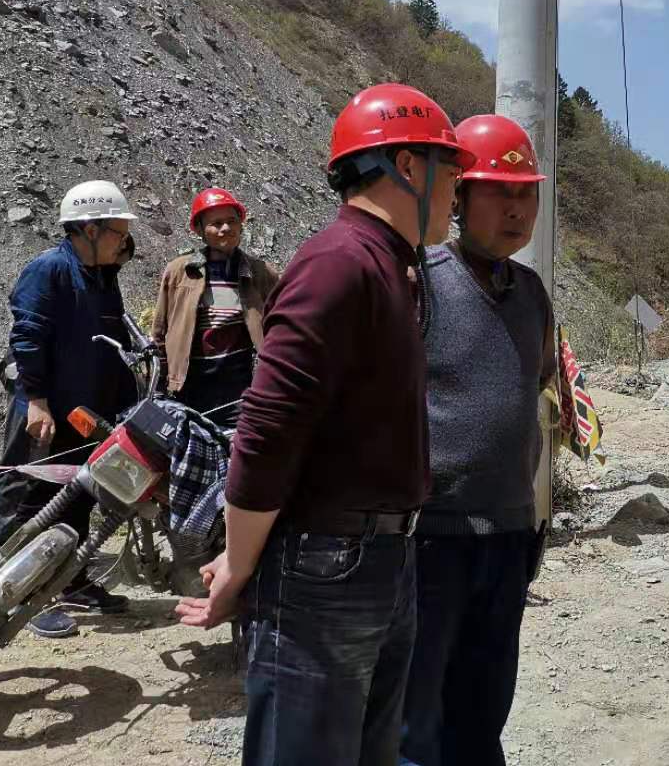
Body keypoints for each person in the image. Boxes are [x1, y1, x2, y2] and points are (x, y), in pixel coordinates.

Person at [175, 84, 474, 766]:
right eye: (450, 168)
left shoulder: (393, 265)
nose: (458, 188)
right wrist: (240, 562)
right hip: (326, 570)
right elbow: (267, 431)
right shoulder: (338, 263)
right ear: (407, 166)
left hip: (381, 559)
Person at [400, 114, 556, 766]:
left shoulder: (532, 294)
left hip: (510, 535)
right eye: (499, 192)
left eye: (526, 194)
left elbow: (533, 393)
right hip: (432, 540)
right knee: (415, 719)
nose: (517, 209)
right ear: (459, 196)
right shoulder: (420, 282)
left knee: (484, 708)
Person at [0, 180, 140, 639]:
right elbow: (27, 336)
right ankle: (4, 589)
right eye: (117, 232)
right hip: (45, 405)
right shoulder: (49, 269)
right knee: (22, 490)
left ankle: (69, 579)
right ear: (89, 229)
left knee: (77, 492)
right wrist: (36, 400)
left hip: (86, 410)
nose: (124, 242)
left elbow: (113, 343)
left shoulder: (102, 277)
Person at [151, 188, 278, 428]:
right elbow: (159, 333)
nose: (226, 228)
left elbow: (281, 331)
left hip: (241, 394)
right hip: (187, 391)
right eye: (216, 223)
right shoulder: (179, 272)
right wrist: (162, 385)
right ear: (199, 230)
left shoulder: (261, 273)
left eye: (232, 221)